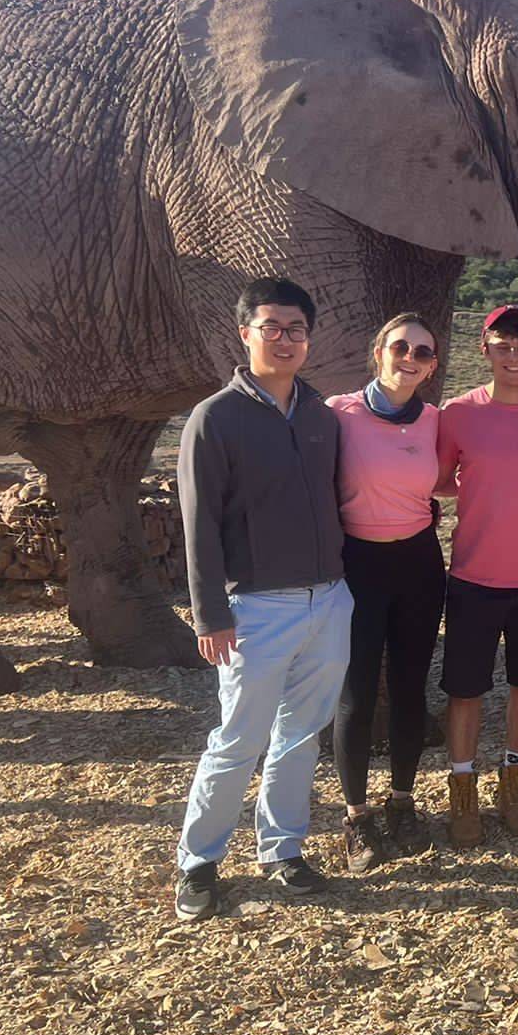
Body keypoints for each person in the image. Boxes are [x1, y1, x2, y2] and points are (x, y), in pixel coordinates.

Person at [172, 278, 352, 921]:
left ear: (310, 339)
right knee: (238, 740)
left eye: (296, 329)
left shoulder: (319, 416)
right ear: (244, 333)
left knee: (301, 735)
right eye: (271, 327)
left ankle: (282, 850)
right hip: (253, 609)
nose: (284, 339)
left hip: (328, 601)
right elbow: (197, 525)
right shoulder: (214, 418)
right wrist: (209, 614)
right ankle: (197, 862)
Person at [435, 305, 518, 847]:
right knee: (465, 689)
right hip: (472, 573)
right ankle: (462, 789)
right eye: (502, 345)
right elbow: (440, 479)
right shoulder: (458, 414)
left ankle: (514, 786)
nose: (512, 356)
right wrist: (485, 498)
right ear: (484, 351)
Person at [326, 313, 444, 871]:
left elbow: (452, 480)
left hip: (420, 564)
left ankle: (402, 802)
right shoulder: (338, 414)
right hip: (358, 566)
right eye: (400, 347)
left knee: (409, 688)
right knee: (355, 692)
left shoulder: (435, 422)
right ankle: (356, 817)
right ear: (379, 352)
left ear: (432, 366)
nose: (410, 358)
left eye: (422, 353)